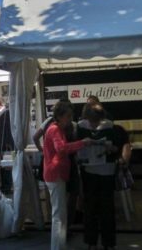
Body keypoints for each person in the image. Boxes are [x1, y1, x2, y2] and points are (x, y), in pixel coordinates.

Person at [77, 103, 129, 250]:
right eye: (92, 122)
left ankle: (108, 243)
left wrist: (110, 149)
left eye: (97, 121)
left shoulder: (112, 128)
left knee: (106, 208)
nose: (94, 125)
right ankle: (92, 242)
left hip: (106, 170)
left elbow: (120, 148)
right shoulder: (81, 127)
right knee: (90, 208)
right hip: (90, 170)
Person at [43, 100, 92, 250]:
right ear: (60, 115)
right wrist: (82, 143)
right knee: (59, 215)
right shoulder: (55, 130)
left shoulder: (55, 129)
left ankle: (59, 245)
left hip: (56, 173)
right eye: (68, 115)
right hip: (55, 173)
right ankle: (57, 247)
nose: (70, 119)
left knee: (60, 214)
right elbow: (61, 149)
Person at [0, 100, 14, 193]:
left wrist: (8, 143)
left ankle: (7, 186)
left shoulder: (6, 112)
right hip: (0, 143)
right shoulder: (0, 113)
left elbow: (9, 129)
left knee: (7, 165)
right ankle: (4, 185)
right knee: (3, 165)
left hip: (5, 144)